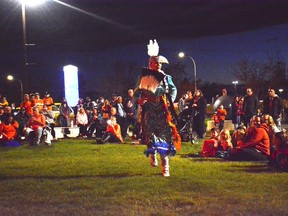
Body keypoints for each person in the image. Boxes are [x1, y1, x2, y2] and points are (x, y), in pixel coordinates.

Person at [134, 39, 180, 177]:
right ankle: (152, 152)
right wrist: (140, 99)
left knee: (164, 135)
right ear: (151, 64)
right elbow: (136, 92)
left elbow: (173, 90)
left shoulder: (167, 77)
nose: (159, 65)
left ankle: (165, 166)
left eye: (160, 63)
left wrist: (170, 99)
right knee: (150, 134)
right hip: (148, 108)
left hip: (162, 108)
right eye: (156, 63)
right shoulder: (144, 76)